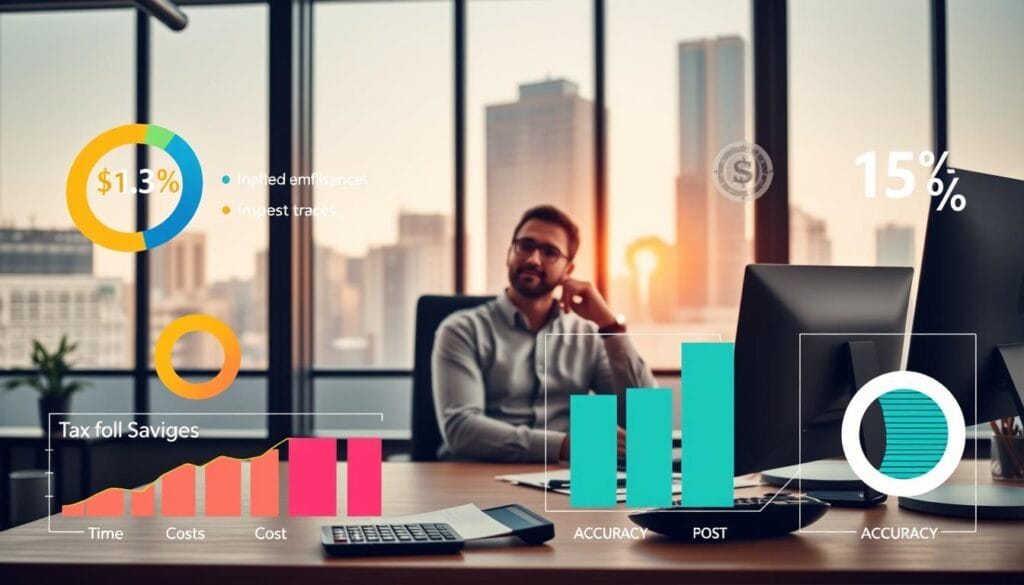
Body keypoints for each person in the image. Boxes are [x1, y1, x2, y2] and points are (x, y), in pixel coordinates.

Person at [432, 205, 656, 462]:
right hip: (474, 479)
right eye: (525, 246)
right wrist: (565, 446)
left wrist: (609, 325)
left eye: (550, 252)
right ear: (509, 254)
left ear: (568, 270)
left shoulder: (587, 337)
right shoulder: (462, 330)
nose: (533, 259)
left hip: (561, 482)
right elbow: (461, 429)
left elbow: (646, 418)